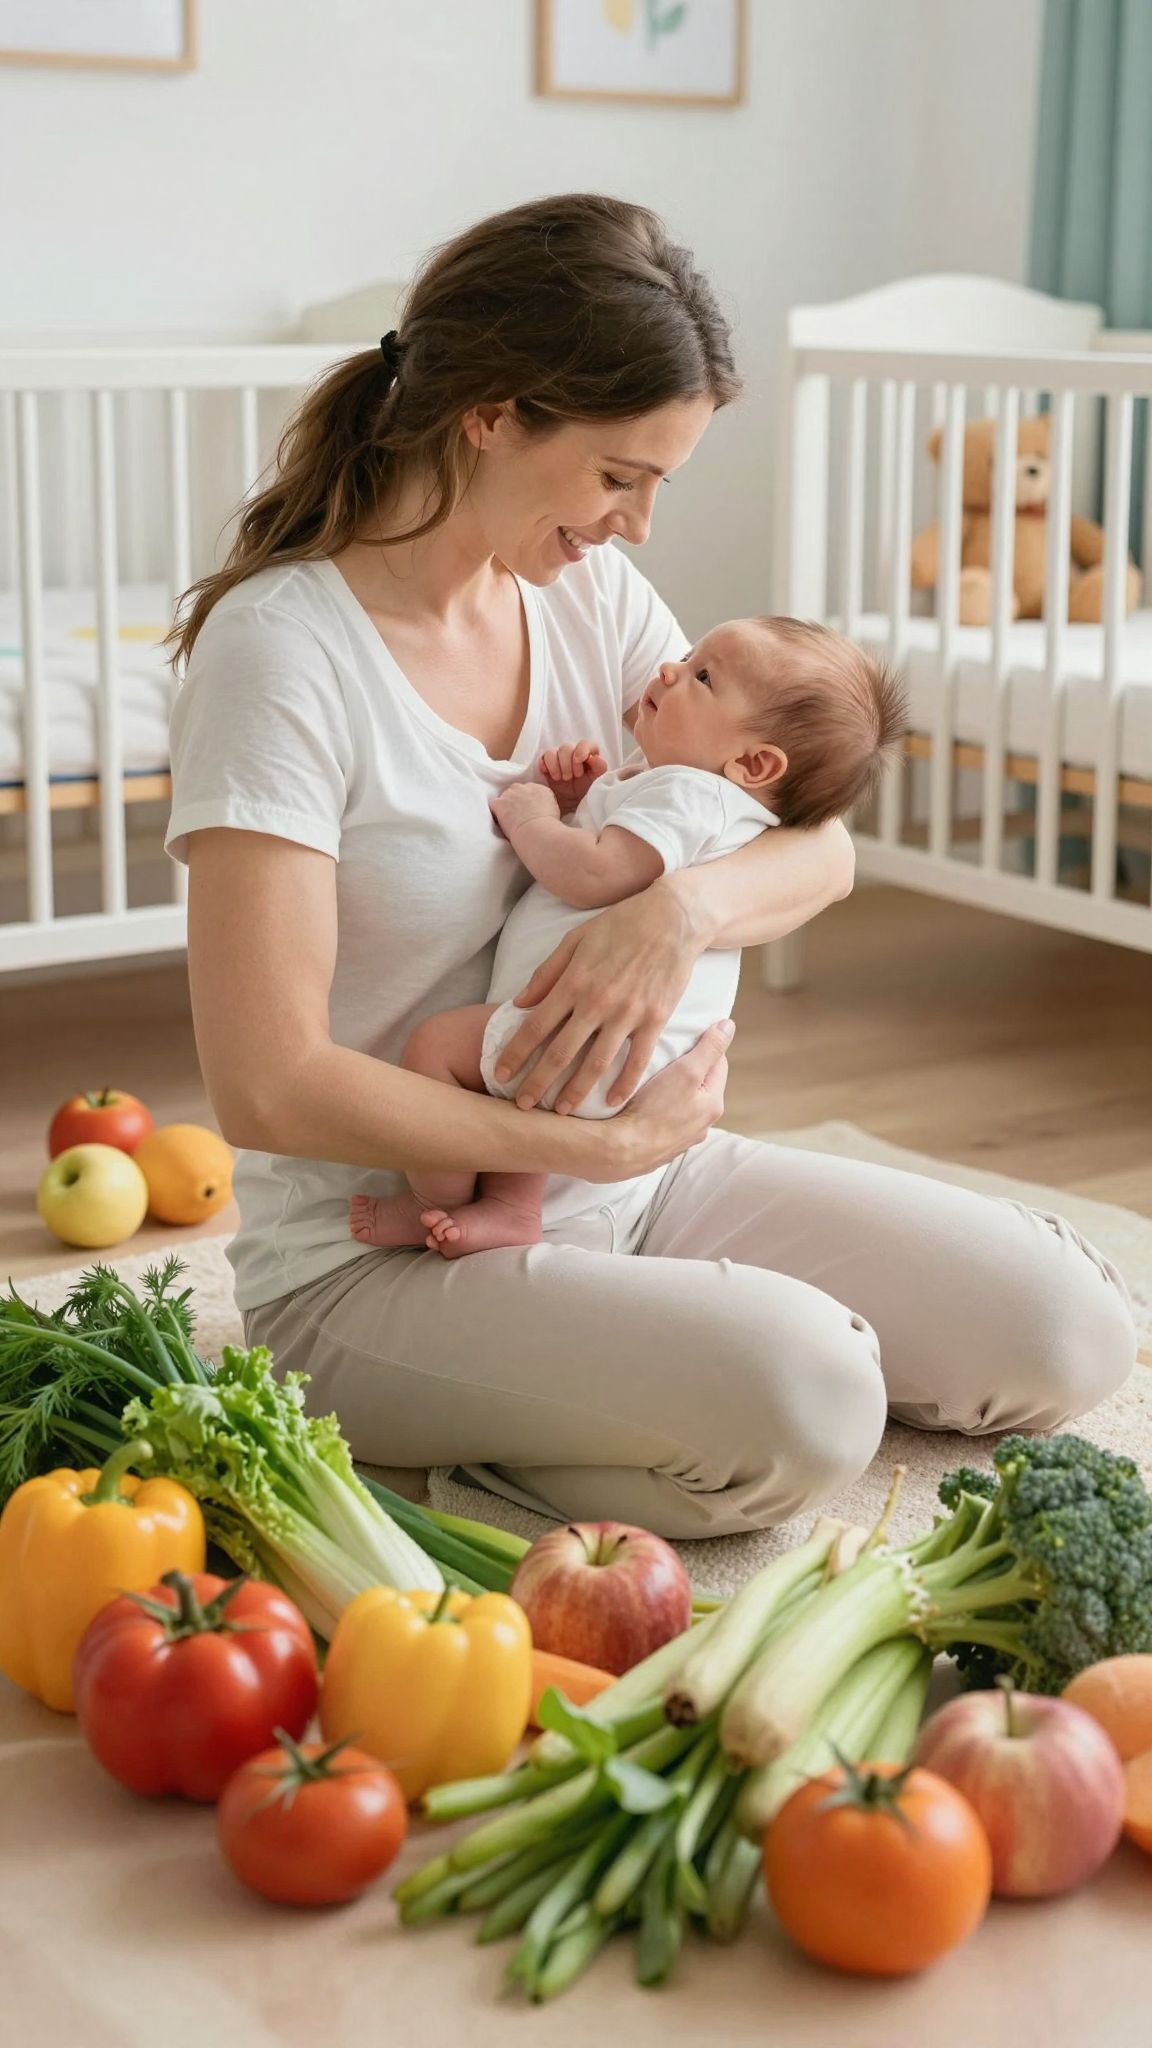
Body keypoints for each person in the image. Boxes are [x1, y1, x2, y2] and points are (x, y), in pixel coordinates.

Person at [166, 193, 1136, 1541]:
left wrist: (675, 912)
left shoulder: (589, 598)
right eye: (621, 476)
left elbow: (819, 845)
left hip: (642, 1180)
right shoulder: (283, 657)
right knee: (808, 1400)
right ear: (492, 414)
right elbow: (265, 1083)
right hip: (371, 1262)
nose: (637, 526)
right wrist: (585, 1138)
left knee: (1066, 1332)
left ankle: (628, 1349)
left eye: (659, 483)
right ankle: (457, 1476)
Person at [348, 615, 906, 1258]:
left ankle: (431, 1201)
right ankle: (510, 1206)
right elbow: (622, 853)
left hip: (599, 1034)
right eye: (691, 653)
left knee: (437, 1052)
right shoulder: (699, 799)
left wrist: (533, 818)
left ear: (753, 762)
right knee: (534, 1094)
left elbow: (593, 872)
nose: (672, 668)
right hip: (630, 1057)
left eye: (702, 676)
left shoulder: (688, 794)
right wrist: (584, 801)